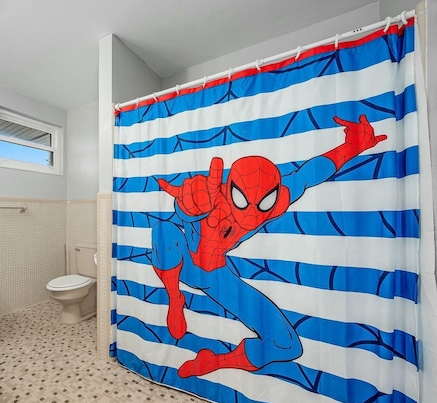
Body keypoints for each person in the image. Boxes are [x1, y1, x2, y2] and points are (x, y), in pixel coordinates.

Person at [151, 115, 387, 377]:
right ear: (229, 189)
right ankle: (174, 297)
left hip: (218, 275)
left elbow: (310, 173)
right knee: (163, 230)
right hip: (185, 263)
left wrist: (354, 146)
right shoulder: (212, 195)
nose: (252, 215)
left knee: (286, 344)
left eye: (264, 203)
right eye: (241, 200)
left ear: (274, 195)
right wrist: (188, 206)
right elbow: (190, 203)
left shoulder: (278, 200)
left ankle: (215, 362)